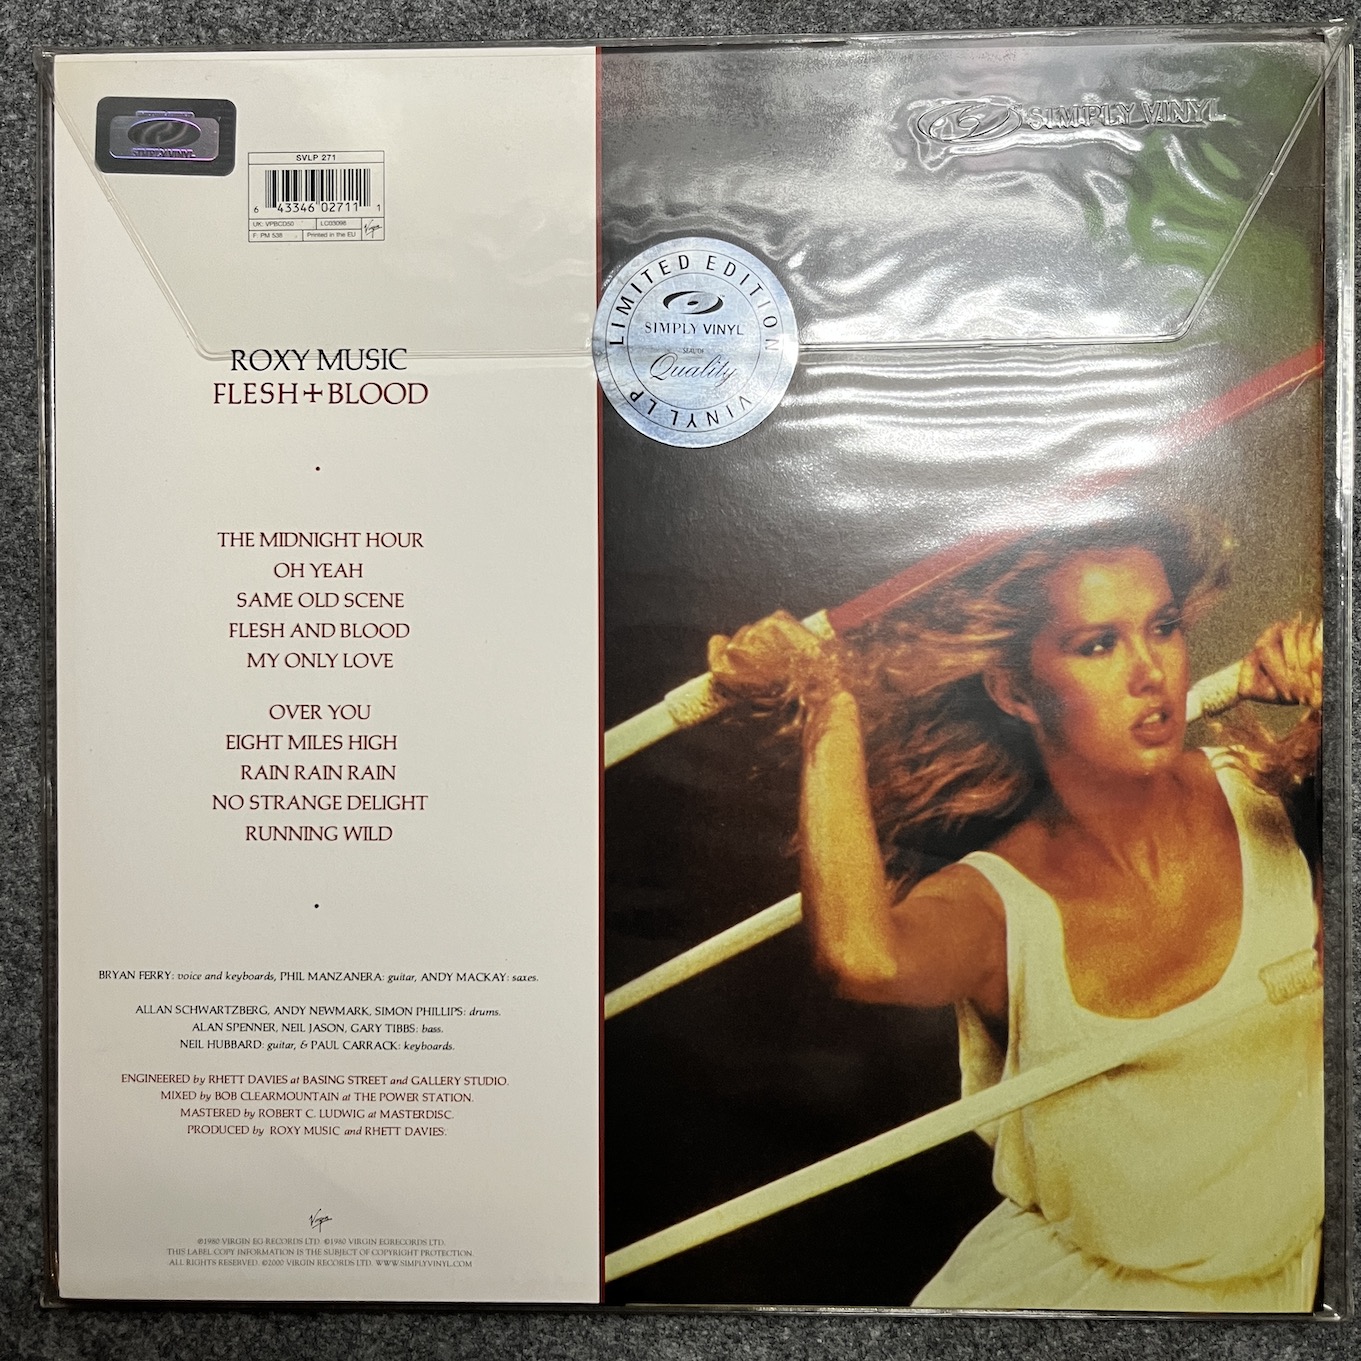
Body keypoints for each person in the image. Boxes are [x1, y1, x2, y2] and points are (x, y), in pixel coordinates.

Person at [706, 512, 1324, 1312]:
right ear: (1014, 690)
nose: (1149, 671)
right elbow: (862, 958)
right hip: (1073, 1310)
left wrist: (1336, 691)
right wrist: (827, 706)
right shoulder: (998, 903)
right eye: (1096, 645)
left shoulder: (1269, 790)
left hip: (1279, 1299)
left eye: (1162, 627)